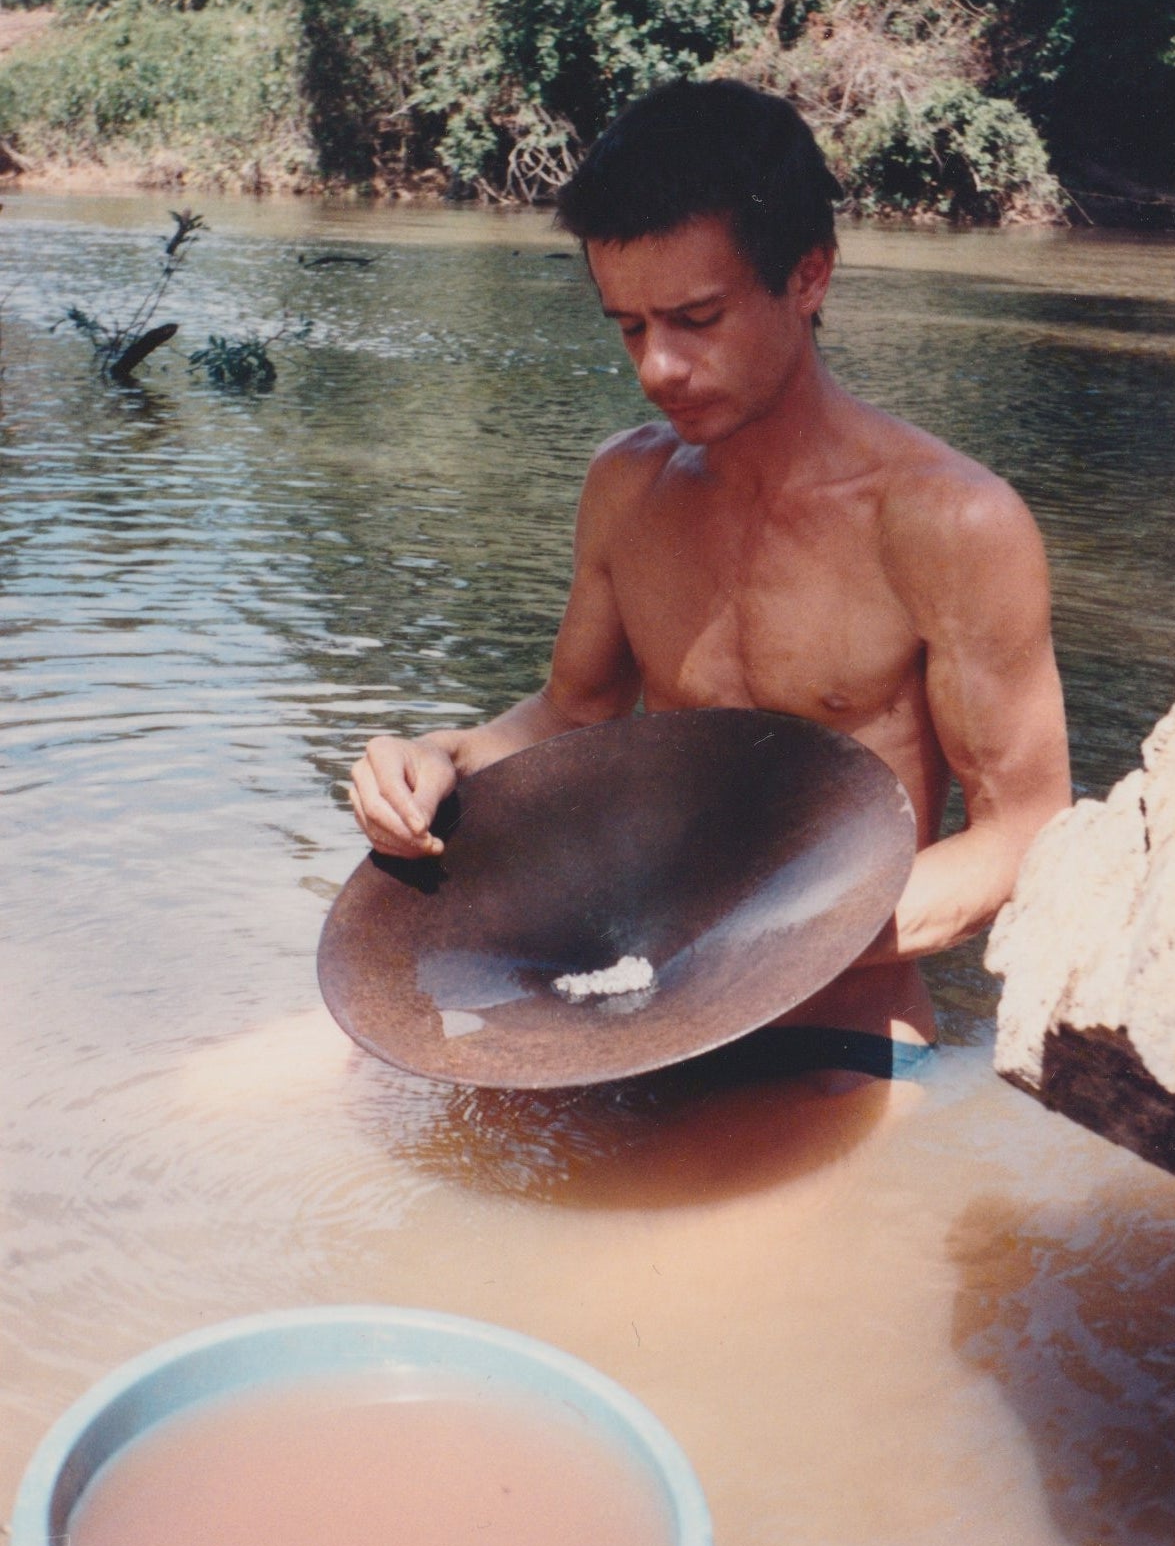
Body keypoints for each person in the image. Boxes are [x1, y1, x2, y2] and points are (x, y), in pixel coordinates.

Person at [349, 79, 1071, 1083]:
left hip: (836, 1038)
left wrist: (750, 953)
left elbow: (1025, 834)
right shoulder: (625, 486)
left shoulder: (950, 524)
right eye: (628, 326)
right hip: (611, 1005)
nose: (657, 367)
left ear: (807, 276)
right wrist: (435, 759)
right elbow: (571, 715)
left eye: (695, 318)